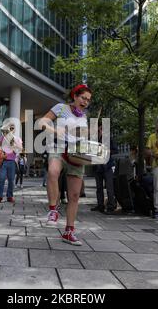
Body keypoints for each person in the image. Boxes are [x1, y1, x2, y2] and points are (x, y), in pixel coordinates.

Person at [39, 84, 92, 246]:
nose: (85, 102)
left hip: (77, 154)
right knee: (53, 172)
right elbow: (42, 122)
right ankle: (53, 210)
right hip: (58, 148)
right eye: (83, 98)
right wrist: (55, 131)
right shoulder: (61, 108)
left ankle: (69, 232)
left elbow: (82, 136)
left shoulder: (84, 116)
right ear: (75, 96)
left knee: (74, 195)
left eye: (88, 100)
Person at [91, 123, 118, 214]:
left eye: (102, 129)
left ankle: (111, 207)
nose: (101, 130)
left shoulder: (109, 139)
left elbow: (115, 150)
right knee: (99, 188)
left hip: (107, 166)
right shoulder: (95, 139)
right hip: (97, 166)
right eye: (100, 129)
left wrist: (107, 150)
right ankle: (100, 205)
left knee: (109, 188)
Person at [0, 122, 23, 203]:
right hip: (3, 161)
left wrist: (14, 144)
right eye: (10, 128)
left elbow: (20, 149)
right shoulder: (3, 137)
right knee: (2, 179)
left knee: (11, 180)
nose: (11, 129)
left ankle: (10, 196)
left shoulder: (17, 138)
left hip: (12, 161)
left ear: (14, 130)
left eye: (12, 128)